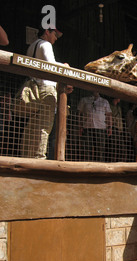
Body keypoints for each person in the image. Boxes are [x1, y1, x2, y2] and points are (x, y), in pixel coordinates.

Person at [19, 25, 69, 159]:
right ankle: (38, 157)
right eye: (54, 35)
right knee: (44, 126)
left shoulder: (32, 46)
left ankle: (27, 156)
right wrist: (64, 67)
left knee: (32, 125)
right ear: (47, 32)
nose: (55, 39)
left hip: (35, 89)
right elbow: (51, 65)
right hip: (46, 89)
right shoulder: (46, 44)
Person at [78, 92, 112, 162]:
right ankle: (87, 167)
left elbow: (109, 115)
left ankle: (100, 167)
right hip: (87, 127)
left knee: (100, 150)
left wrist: (110, 127)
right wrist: (80, 126)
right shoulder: (84, 100)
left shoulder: (104, 101)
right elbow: (79, 114)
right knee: (87, 149)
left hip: (101, 128)